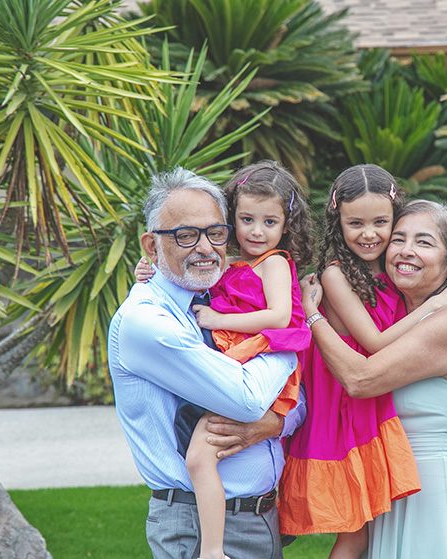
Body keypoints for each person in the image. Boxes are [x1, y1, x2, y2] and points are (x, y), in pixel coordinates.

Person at [108, 167, 305, 559]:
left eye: (215, 233)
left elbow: (298, 404)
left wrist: (276, 422)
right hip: (198, 524)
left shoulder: (219, 297)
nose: (204, 247)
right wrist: (291, 338)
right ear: (151, 246)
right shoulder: (148, 322)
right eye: (185, 235)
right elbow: (247, 398)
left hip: (263, 517)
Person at [277, 165, 447, 559]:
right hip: (346, 412)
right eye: (356, 223)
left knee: (369, 533)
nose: (369, 234)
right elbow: (375, 342)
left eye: (381, 222)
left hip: (370, 409)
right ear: (338, 222)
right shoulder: (334, 274)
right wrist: (437, 304)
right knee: (355, 535)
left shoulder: (389, 273)